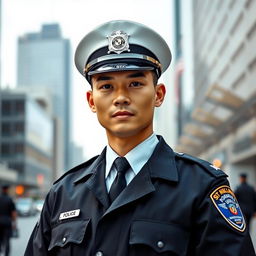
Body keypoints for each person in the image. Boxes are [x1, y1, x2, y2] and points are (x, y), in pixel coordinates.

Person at [25, 20, 255, 256]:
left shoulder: (202, 187)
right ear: (91, 101)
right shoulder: (63, 193)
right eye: (106, 86)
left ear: (158, 94)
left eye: (135, 83)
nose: (121, 97)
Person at [0, 185, 17, 256]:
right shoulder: (10, 200)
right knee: (7, 240)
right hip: (7, 222)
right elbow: (13, 213)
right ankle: (6, 254)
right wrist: (14, 223)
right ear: (7, 190)